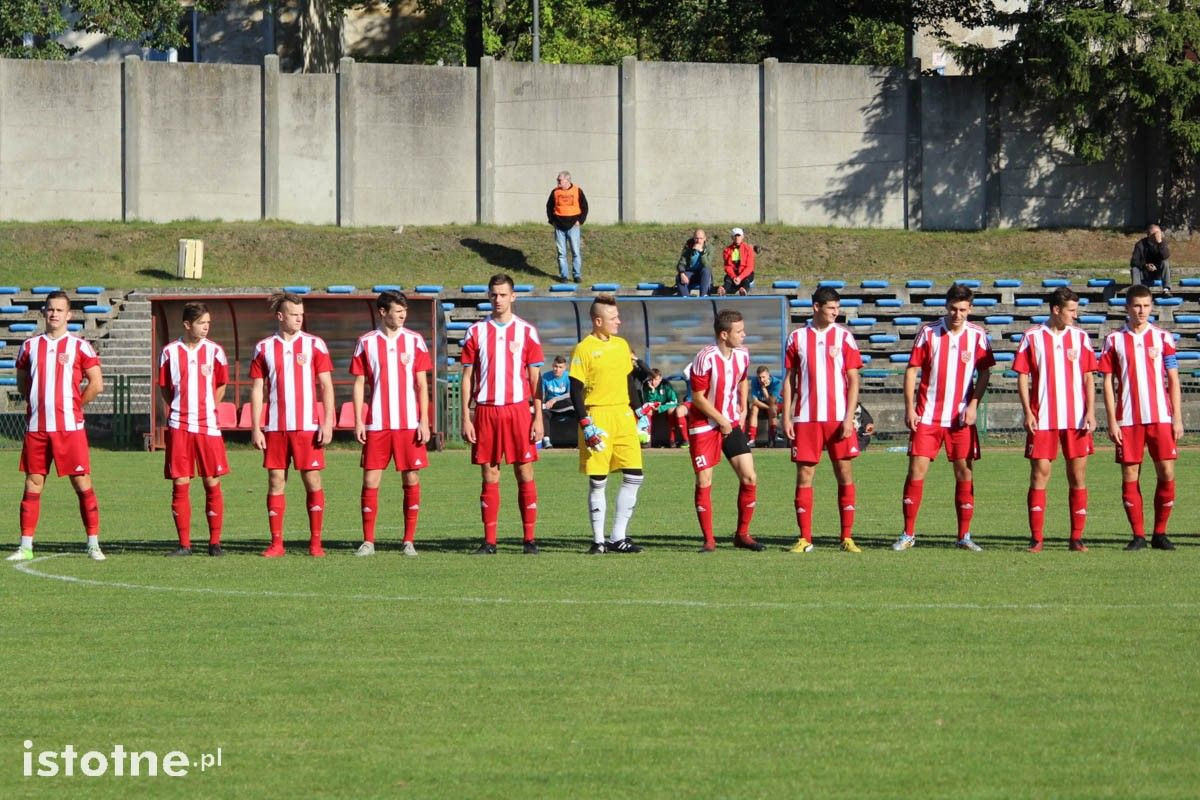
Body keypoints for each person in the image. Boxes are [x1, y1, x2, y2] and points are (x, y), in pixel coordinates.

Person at [893, 283, 995, 552]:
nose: (957, 314)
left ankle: (964, 535)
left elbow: (985, 372)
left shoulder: (977, 336)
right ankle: (908, 534)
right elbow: (912, 370)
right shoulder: (929, 333)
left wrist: (973, 404)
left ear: (970, 309)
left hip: (960, 419)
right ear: (946, 306)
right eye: (953, 308)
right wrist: (910, 407)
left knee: (964, 472)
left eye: (962, 309)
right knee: (916, 471)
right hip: (928, 416)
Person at [6, 291, 105, 562]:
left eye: (59, 310)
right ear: (43, 312)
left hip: (69, 428)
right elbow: (22, 383)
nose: (54, 314)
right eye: (50, 309)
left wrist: (76, 406)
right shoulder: (29, 346)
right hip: (38, 427)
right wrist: (36, 404)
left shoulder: (80, 347)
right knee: (33, 482)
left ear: (69, 315)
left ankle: (93, 543)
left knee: (81, 481)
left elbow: (96, 384)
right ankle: (25, 546)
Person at [460, 273, 545, 555]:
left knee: (524, 470)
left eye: (503, 294)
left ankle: (529, 540)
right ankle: (490, 541)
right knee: (490, 472)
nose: (498, 299)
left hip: (518, 410)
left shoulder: (526, 331)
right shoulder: (475, 332)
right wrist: (466, 415)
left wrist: (538, 417)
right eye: (494, 294)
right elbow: (467, 377)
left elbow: (535, 378)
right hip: (486, 410)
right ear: (488, 296)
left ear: (513, 296)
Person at [249, 292, 335, 558]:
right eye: (294, 314)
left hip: (307, 426)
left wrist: (327, 422)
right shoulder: (264, 347)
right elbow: (257, 389)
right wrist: (255, 427)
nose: (300, 318)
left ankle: (316, 543)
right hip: (275, 427)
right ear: (280, 316)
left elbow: (326, 385)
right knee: (276, 480)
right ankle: (276, 543)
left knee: (312, 480)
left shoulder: (314, 345)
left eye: (301, 314)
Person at [1098, 284, 1182, 550]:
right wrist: (1112, 420)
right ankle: (1138, 536)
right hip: (1128, 419)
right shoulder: (1114, 340)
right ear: (1127, 307)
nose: (1141, 311)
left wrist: (1177, 418)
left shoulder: (1163, 338)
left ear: (1152, 307)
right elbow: (1108, 383)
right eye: (1137, 305)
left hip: (1161, 417)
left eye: (1146, 306)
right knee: (1130, 474)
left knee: (1166, 472)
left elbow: (1173, 379)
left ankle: (1160, 533)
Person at [1013, 287, 1098, 552]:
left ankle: (1076, 537)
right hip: (1043, 418)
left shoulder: (1081, 337)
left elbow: (1088, 377)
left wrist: (1091, 412)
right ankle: (1037, 538)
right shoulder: (1032, 337)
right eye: (1072, 310)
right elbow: (1022, 376)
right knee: (1040, 474)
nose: (1076, 315)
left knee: (1078, 474)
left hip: (1075, 418)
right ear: (1056, 310)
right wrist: (1028, 412)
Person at [781, 287, 864, 553]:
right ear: (816, 307)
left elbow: (853, 379)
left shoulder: (844, 337)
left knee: (844, 473)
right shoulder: (797, 337)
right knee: (805, 474)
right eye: (831, 308)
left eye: (837, 308)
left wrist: (850, 417)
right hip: (806, 418)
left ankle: (847, 537)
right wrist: (787, 415)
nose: (835, 313)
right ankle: (805, 538)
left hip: (839, 418)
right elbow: (789, 380)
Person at [350, 290, 432, 557]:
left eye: (404, 311)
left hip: (408, 423)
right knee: (371, 479)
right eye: (398, 311)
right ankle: (368, 541)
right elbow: (360, 382)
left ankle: (409, 540)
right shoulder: (366, 342)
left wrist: (424, 420)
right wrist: (359, 419)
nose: (402, 315)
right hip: (377, 424)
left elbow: (422, 384)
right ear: (383, 312)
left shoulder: (415, 341)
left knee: (411, 477)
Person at [568, 296, 653, 554]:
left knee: (634, 475)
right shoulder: (583, 348)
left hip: (623, 416)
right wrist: (586, 423)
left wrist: (640, 412)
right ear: (598, 321)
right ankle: (598, 541)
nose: (619, 321)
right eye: (613, 317)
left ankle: (618, 537)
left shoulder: (621, 345)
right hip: (598, 416)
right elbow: (575, 389)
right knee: (598, 479)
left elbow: (629, 382)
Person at [157, 302, 230, 557]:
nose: (206, 327)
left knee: (212, 481)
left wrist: (208, 407)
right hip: (179, 426)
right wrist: (179, 409)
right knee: (180, 482)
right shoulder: (169, 353)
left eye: (208, 322)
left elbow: (221, 385)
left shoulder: (215, 352)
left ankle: (215, 543)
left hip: (208, 426)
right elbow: (165, 388)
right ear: (187, 325)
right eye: (201, 323)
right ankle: (184, 544)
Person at [687, 309, 763, 552]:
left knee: (750, 477)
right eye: (739, 331)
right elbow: (698, 398)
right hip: (704, 425)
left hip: (730, 423)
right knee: (704, 479)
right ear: (723, 334)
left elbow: (742, 379)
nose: (744, 335)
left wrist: (742, 406)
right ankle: (709, 540)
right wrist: (721, 419)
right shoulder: (705, 357)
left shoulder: (742, 354)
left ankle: (742, 535)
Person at [546, 170, 588, 283]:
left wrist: (580, 221)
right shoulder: (554, 192)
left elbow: (585, 207)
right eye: (557, 180)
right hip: (559, 226)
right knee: (561, 253)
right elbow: (549, 207)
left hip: (573, 226)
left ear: (567, 180)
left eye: (559, 180)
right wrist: (552, 221)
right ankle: (563, 276)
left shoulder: (577, 191)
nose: (557, 182)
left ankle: (577, 275)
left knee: (575, 252)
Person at [539, 355, 573, 448]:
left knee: (573, 402)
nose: (556, 369)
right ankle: (546, 441)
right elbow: (541, 395)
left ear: (564, 368)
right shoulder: (546, 376)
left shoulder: (569, 376)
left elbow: (570, 394)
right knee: (543, 413)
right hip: (550, 408)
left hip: (564, 405)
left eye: (560, 367)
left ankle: (582, 440)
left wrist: (555, 399)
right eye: (555, 366)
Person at [1130, 224, 1172, 295]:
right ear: (1149, 235)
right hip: (1144, 273)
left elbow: (1165, 256)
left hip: (1158, 272)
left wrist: (1159, 243)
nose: (1158, 235)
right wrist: (1146, 266)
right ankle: (1136, 292)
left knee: (1165, 262)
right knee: (1134, 269)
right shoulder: (1140, 244)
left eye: (1159, 233)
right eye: (1156, 233)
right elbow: (1134, 262)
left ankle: (1166, 289)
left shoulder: (1162, 243)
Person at [747, 365, 783, 447]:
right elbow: (755, 401)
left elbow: (772, 402)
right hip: (763, 405)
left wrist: (764, 389)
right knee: (754, 408)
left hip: (776, 405)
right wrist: (769, 408)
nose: (761, 380)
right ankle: (752, 439)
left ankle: (773, 438)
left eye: (763, 377)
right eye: (759, 377)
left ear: (768, 375)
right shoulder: (754, 381)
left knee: (773, 409)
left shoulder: (777, 383)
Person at [643, 369, 680, 446]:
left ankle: (672, 440)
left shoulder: (666, 385)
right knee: (647, 410)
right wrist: (652, 391)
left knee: (671, 410)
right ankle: (647, 440)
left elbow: (674, 401)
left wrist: (661, 408)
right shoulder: (646, 386)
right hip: (653, 408)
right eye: (651, 379)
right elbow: (648, 402)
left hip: (665, 407)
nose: (653, 382)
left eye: (656, 379)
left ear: (660, 379)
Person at [675, 229, 713, 297]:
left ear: (705, 238)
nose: (698, 241)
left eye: (701, 238)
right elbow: (681, 262)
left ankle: (704, 296)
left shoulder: (709, 248)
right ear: (693, 238)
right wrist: (682, 273)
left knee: (706, 270)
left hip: (703, 275)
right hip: (690, 273)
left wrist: (701, 252)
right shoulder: (688, 247)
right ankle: (686, 298)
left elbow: (707, 264)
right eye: (696, 238)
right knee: (679, 277)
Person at [718, 228, 755, 296]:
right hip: (734, 274)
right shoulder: (727, 250)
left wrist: (740, 277)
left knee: (746, 279)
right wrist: (734, 277)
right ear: (732, 237)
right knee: (727, 279)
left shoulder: (748, 249)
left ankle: (743, 290)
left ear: (742, 236)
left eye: (739, 236)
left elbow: (749, 267)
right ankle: (723, 289)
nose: (737, 238)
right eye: (735, 236)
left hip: (745, 273)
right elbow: (727, 266)